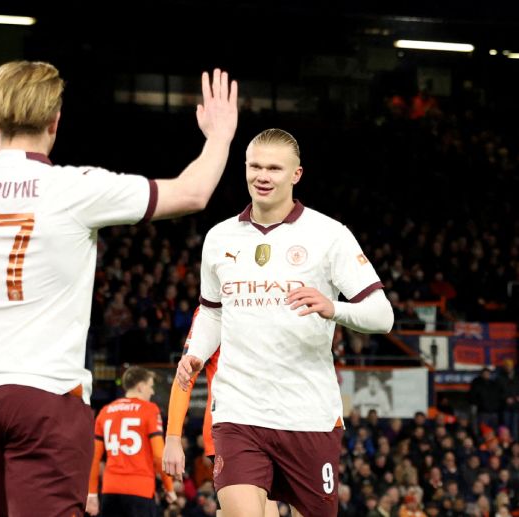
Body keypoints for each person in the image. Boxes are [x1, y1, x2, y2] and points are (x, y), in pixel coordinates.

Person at [0, 60, 238, 516]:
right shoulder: (73, 187)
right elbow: (192, 193)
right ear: (54, 121)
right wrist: (220, 136)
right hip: (45, 396)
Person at [176, 129, 394, 517]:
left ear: (296, 174)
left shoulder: (329, 235)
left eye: (274, 168)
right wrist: (195, 353)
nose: (263, 175)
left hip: (308, 414)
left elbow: (383, 316)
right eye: (255, 166)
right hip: (238, 411)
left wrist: (334, 309)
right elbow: (213, 311)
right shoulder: (218, 237)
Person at [163, 308, 280, 517]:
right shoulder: (215, 309)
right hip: (230, 430)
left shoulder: (274, 299)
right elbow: (185, 374)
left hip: (272, 427)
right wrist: (173, 438)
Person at [86, 366, 175, 516]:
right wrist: (169, 487)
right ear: (140, 387)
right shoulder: (150, 410)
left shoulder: (105, 411)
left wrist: (92, 493)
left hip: (110, 490)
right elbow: (159, 455)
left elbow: (94, 458)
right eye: (150, 386)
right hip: (140, 490)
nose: (152, 392)